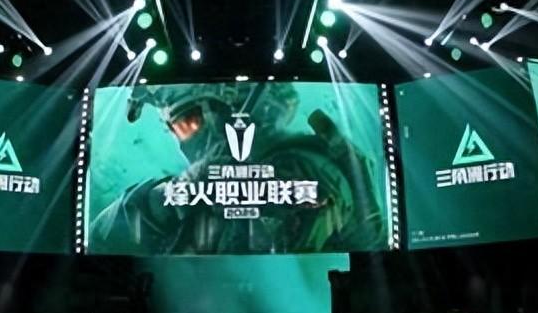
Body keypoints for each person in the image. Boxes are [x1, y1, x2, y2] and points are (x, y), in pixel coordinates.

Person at [89, 82, 385, 254]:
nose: (185, 140)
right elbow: (99, 241)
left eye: (189, 122)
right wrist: (165, 199)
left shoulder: (304, 167)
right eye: (177, 128)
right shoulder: (188, 191)